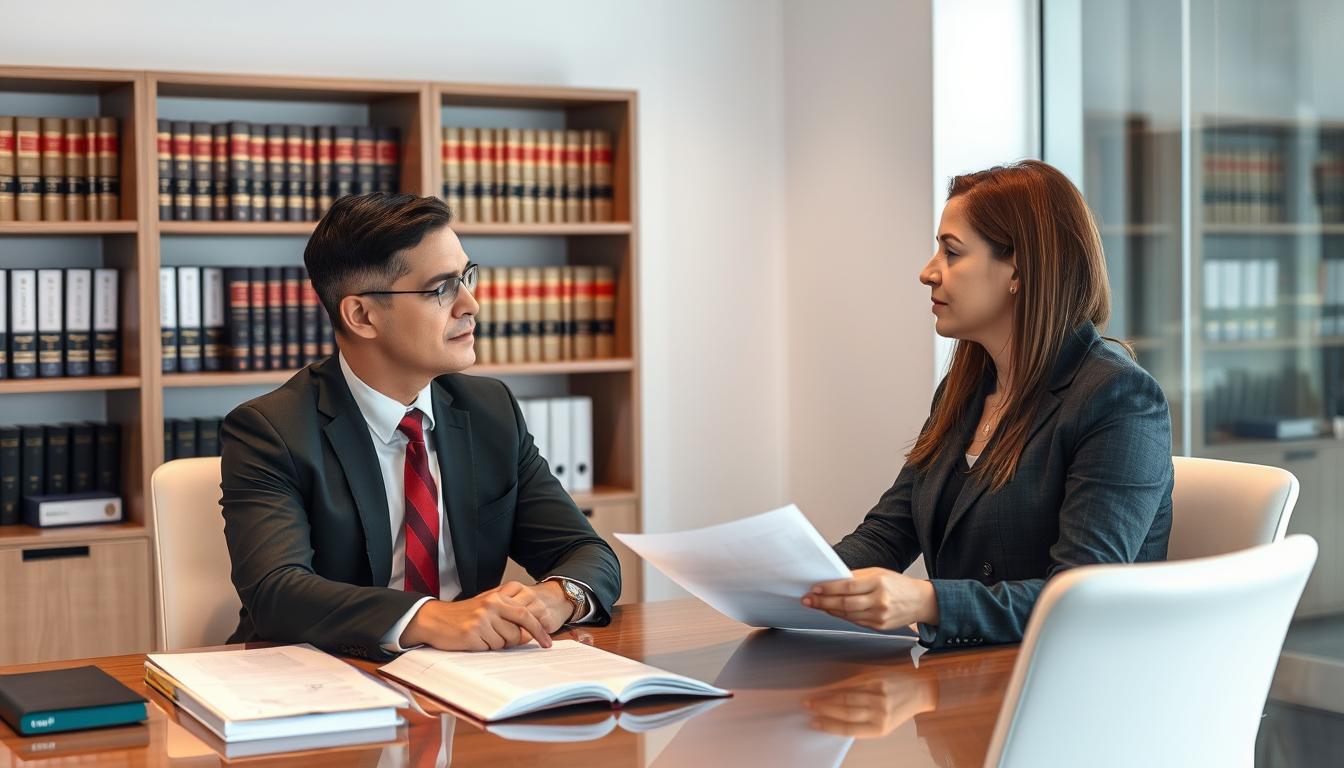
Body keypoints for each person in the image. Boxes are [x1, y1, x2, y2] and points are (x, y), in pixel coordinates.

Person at [219, 193, 621, 659]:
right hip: (323, 681)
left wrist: (554, 599)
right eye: (441, 289)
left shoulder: (491, 409)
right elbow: (277, 592)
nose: (471, 304)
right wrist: (428, 617)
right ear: (362, 315)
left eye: (467, 278)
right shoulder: (270, 430)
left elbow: (588, 552)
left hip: (469, 677)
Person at [804, 160, 1173, 649]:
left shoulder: (1120, 399)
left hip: (1068, 691)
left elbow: (1078, 597)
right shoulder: (966, 390)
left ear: (1018, 270)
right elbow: (888, 534)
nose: (927, 272)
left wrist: (926, 601)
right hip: (968, 677)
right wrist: (795, 584)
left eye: (951, 252)